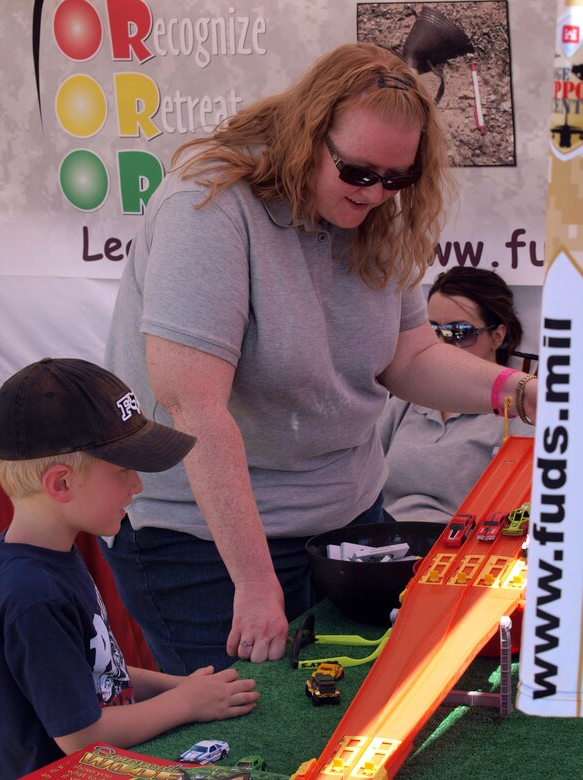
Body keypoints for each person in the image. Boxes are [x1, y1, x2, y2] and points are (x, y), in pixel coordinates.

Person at [102, 41, 538, 674]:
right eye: (359, 173)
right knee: (243, 747)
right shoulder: (210, 206)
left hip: (348, 523)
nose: (376, 194)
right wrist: (253, 582)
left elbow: (410, 358)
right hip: (201, 546)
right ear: (309, 133)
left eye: (397, 179)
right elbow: (193, 407)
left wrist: (520, 392)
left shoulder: (379, 216)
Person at [0, 358, 259, 780]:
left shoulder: (53, 554)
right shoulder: (33, 595)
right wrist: (186, 704)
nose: (137, 485)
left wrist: (183, 685)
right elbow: (81, 737)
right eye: (122, 471)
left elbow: (99, 672)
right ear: (60, 484)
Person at [380, 266, 535, 524]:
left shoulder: (520, 413)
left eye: (459, 333)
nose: (440, 345)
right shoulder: (403, 404)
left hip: (459, 551)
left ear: (497, 336)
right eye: (432, 331)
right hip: (383, 542)